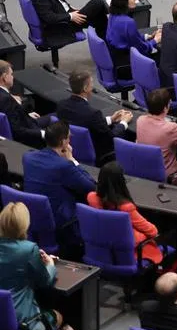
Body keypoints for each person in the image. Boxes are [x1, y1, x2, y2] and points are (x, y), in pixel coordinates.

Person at [22, 121, 96, 253]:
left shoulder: (28, 157)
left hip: (30, 217)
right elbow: (90, 186)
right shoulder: (63, 166)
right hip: (60, 223)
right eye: (69, 137)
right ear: (63, 142)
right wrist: (72, 160)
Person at [0, 202, 61, 330]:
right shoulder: (28, 249)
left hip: (2, 322)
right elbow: (46, 281)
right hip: (22, 323)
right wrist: (50, 264)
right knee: (58, 316)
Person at [86, 161, 162, 265]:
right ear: (121, 182)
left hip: (105, 248)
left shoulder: (92, 197)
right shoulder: (126, 207)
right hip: (129, 252)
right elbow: (152, 231)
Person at [56, 70, 132, 164]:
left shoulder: (61, 105)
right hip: (97, 153)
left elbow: (86, 122)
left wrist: (111, 119)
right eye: (91, 84)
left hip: (72, 148)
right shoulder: (93, 113)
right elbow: (111, 137)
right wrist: (124, 122)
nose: (93, 87)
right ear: (85, 88)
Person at [136, 89, 177, 183]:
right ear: (165, 108)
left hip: (145, 170)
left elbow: (160, 129)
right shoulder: (170, 129)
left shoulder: (140, 120)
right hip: (167, 175)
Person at [105, 0, 160, 71]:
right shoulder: (128, 22)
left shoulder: (113, 15)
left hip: (117, 61)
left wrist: (146, 37)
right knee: (163, 58)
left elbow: (130, 39)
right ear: (123, 2)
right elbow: (142, 49)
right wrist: (155, 40)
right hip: (128, 66)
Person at [0, 61, 44, 147]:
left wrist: (25, 114)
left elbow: (10, 116)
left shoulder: (4, 95)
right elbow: (17, 131)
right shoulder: (6, 99)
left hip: (25, 121)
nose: (13, 77)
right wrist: (42, 133)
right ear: (4, 77)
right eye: (11, 74)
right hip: (28, 138)